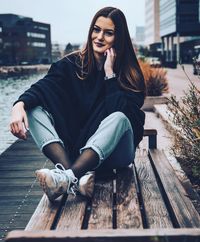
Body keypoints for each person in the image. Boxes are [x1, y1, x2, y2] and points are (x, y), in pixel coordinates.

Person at [10, 7, 146, 202]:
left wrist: (110, 76)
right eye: (96, 29)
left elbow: (123, 116)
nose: (99, 37)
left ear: (119, 38)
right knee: (32, 108)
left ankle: (66, 177)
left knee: (119, 118)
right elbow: (42, 88)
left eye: (108, 33)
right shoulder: (71, 65)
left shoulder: (130, 75)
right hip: (79, 151)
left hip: (118, 154)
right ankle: (75, 178)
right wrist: (18, 105)